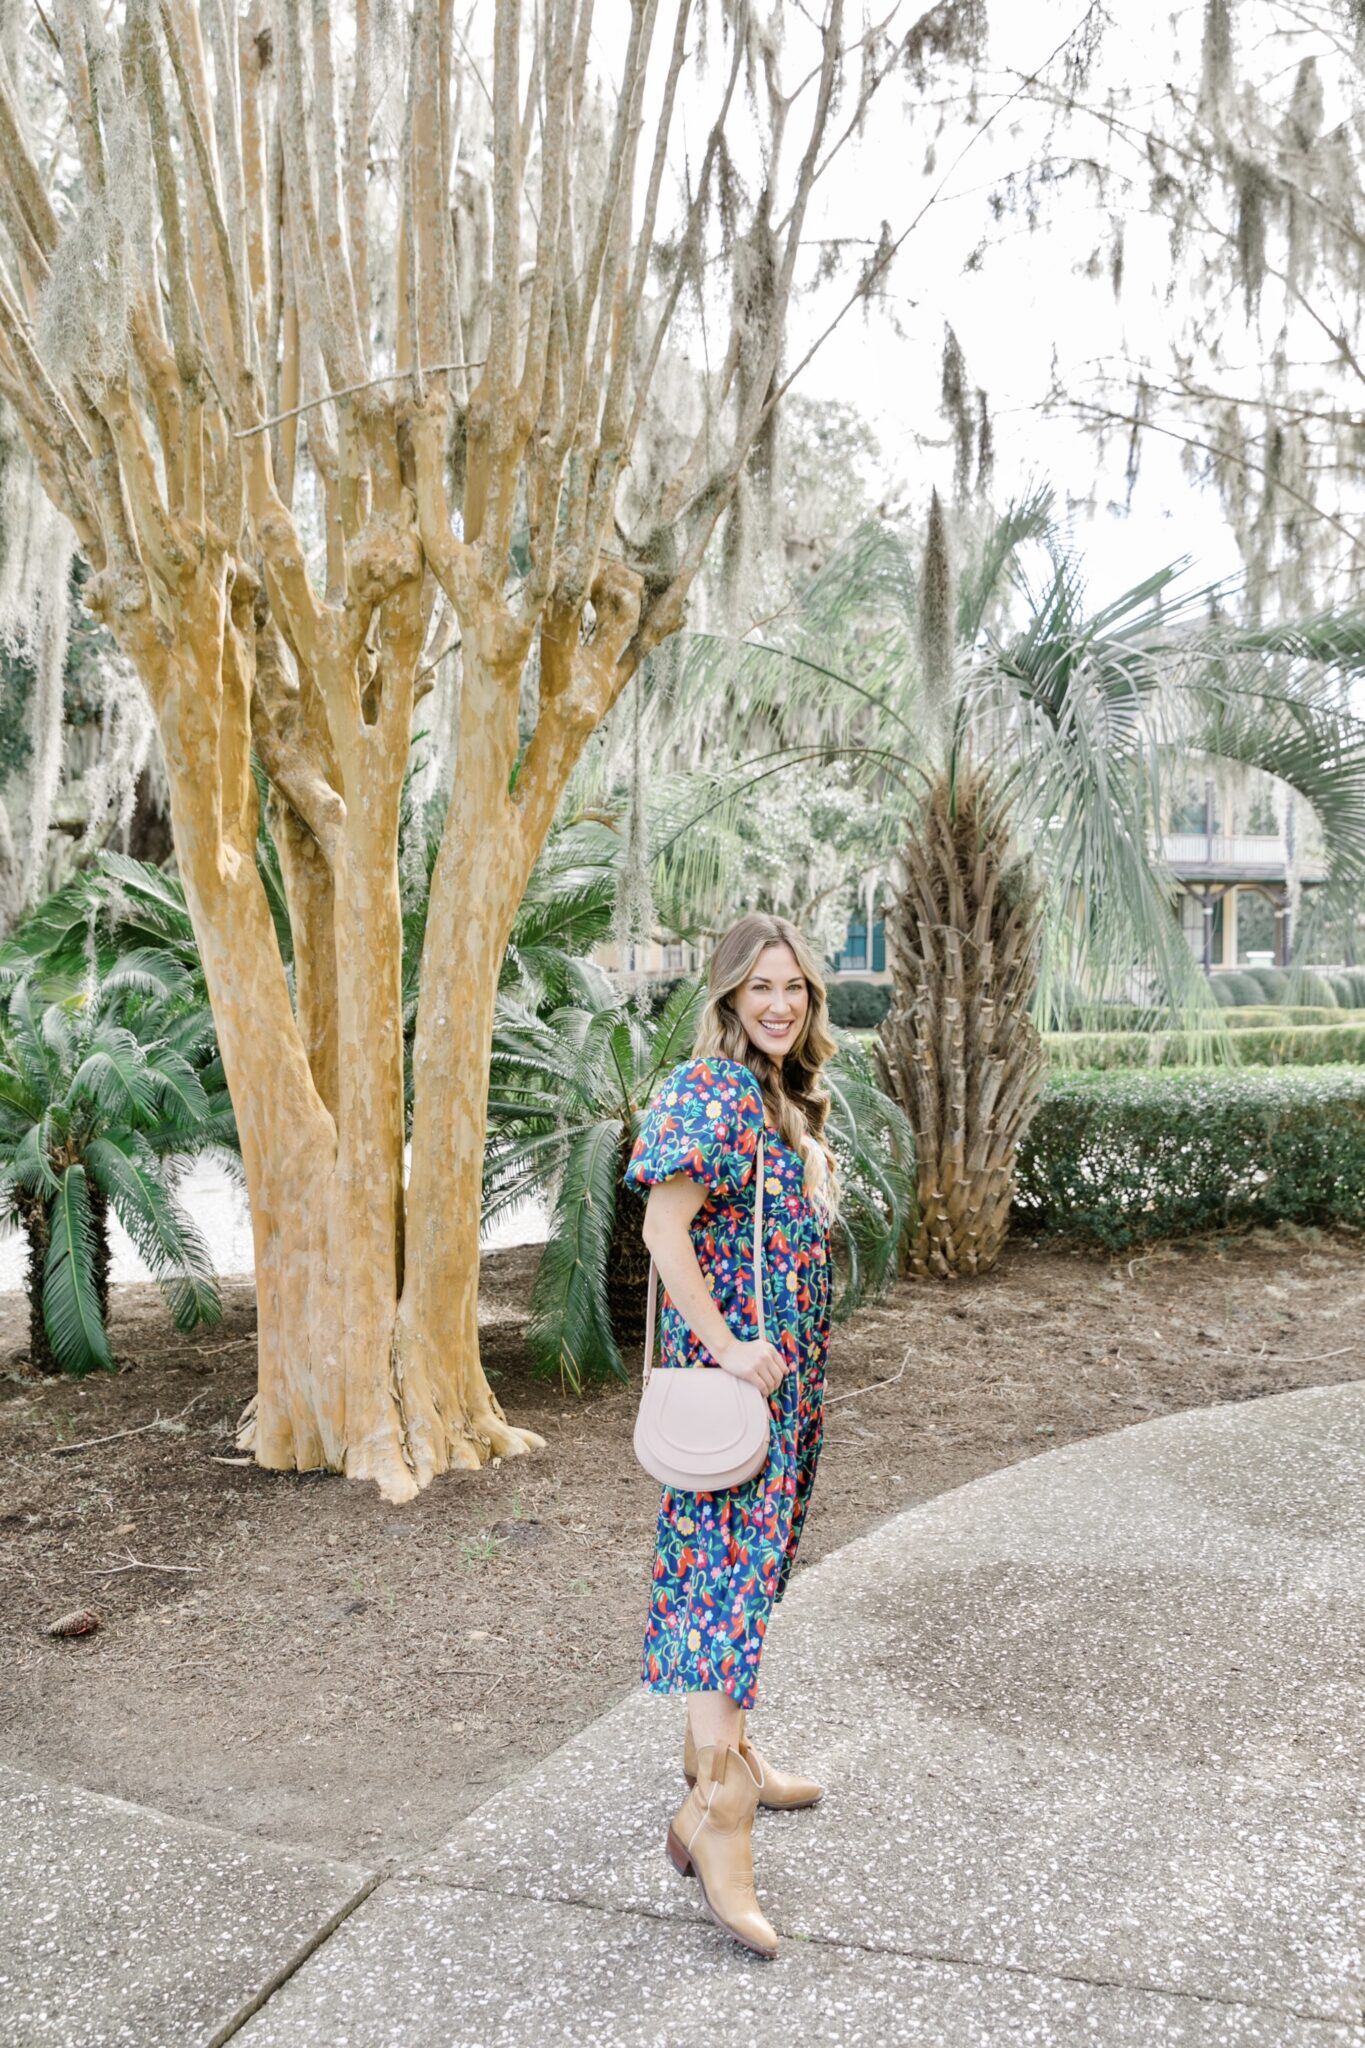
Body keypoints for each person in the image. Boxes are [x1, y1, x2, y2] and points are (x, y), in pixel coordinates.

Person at [623, 911, 839, 1959]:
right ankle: (720, 1822)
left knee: (746, 1579)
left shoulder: (778, 1096)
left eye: (794, 986)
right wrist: (729, 1343)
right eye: (760, 986)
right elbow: (664, 1228)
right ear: (725, 996)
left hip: (780, 1387)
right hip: (736, 1383)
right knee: (720, 1584)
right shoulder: (707, 1090)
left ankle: (728, 1762)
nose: (780, 1004)